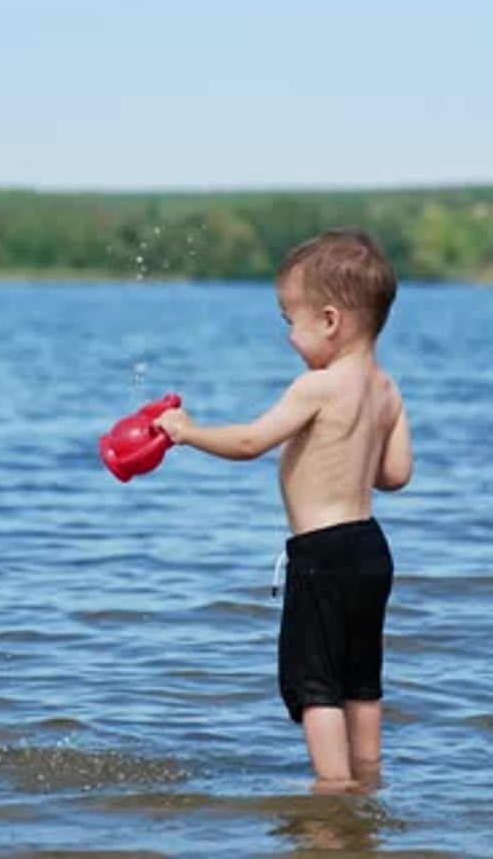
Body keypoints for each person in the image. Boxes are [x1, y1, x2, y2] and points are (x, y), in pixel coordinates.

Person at [155, 228, 412, 788]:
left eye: (289, 322)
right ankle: (369, 776)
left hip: (320, 554)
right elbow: (397, 475)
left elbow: (250, 442)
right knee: (361, 677)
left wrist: (188, 432)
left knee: (313, 681)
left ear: (329, 320)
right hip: (371, 549)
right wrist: (349, 453)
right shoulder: (387, 389)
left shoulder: (316, 387)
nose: (289, 337)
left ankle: (333, 788)